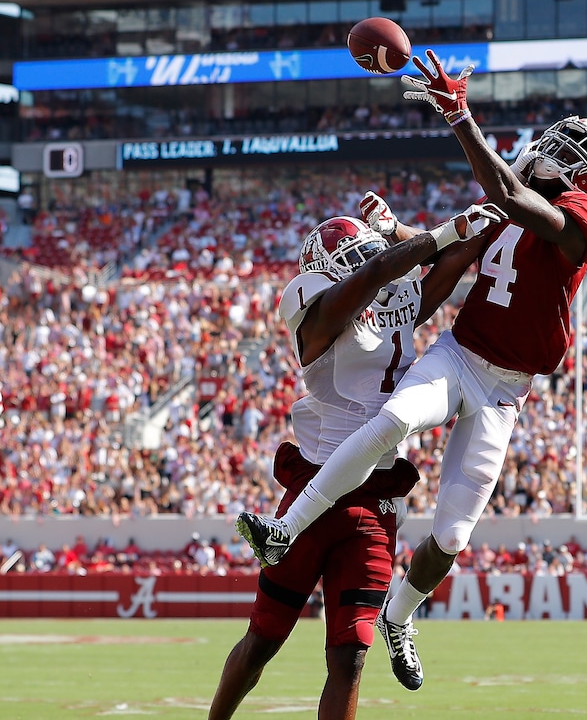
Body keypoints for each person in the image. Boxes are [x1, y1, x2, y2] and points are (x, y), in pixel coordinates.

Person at [236, 48, 587, 692]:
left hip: (506, 390)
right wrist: (398, 231)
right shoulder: (515, 204)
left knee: (451, 535)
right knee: (393, 419)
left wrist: (459, 116)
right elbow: (468, 237)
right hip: (459, 353)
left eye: (576, 146)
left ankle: (399, 615)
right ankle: (285, 527)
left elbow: (508, 200)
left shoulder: (586, 217)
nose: (558, 145)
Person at [210, 201, 506, 720]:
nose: (371, 261)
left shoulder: (388, 296)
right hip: (314, 486)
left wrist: (482, 225)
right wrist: (443, 231)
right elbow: (375, 273)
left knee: (349, 658)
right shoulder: (314, 309)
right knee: (262, 641)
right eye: (359, 256)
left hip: (375, 504)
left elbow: (454, 260)